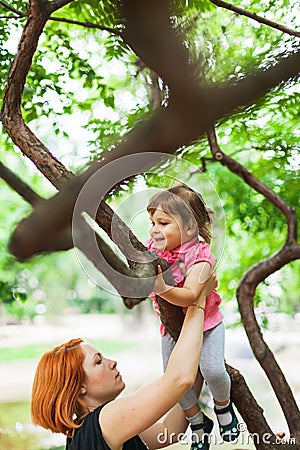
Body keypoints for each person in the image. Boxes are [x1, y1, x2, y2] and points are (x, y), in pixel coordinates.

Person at [31, 274, 217, 450]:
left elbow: (169, 431)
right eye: (98, 362)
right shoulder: (107, 420)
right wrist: (198, 298)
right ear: (79, 386)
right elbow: (178, 380)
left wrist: (200, 361)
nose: (112, 362)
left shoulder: (85, 430)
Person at [145, 184, 239, 450]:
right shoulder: (153, 248)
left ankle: (223, 406)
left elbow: (189, 295)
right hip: (173, 328)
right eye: (152, 222)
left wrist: (160, 287)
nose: (154, 229)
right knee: (173, 380)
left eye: (163, 223)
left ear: (189, 227)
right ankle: (197, 421)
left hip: (207, 325)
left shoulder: (200, 255)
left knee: (213, 370)